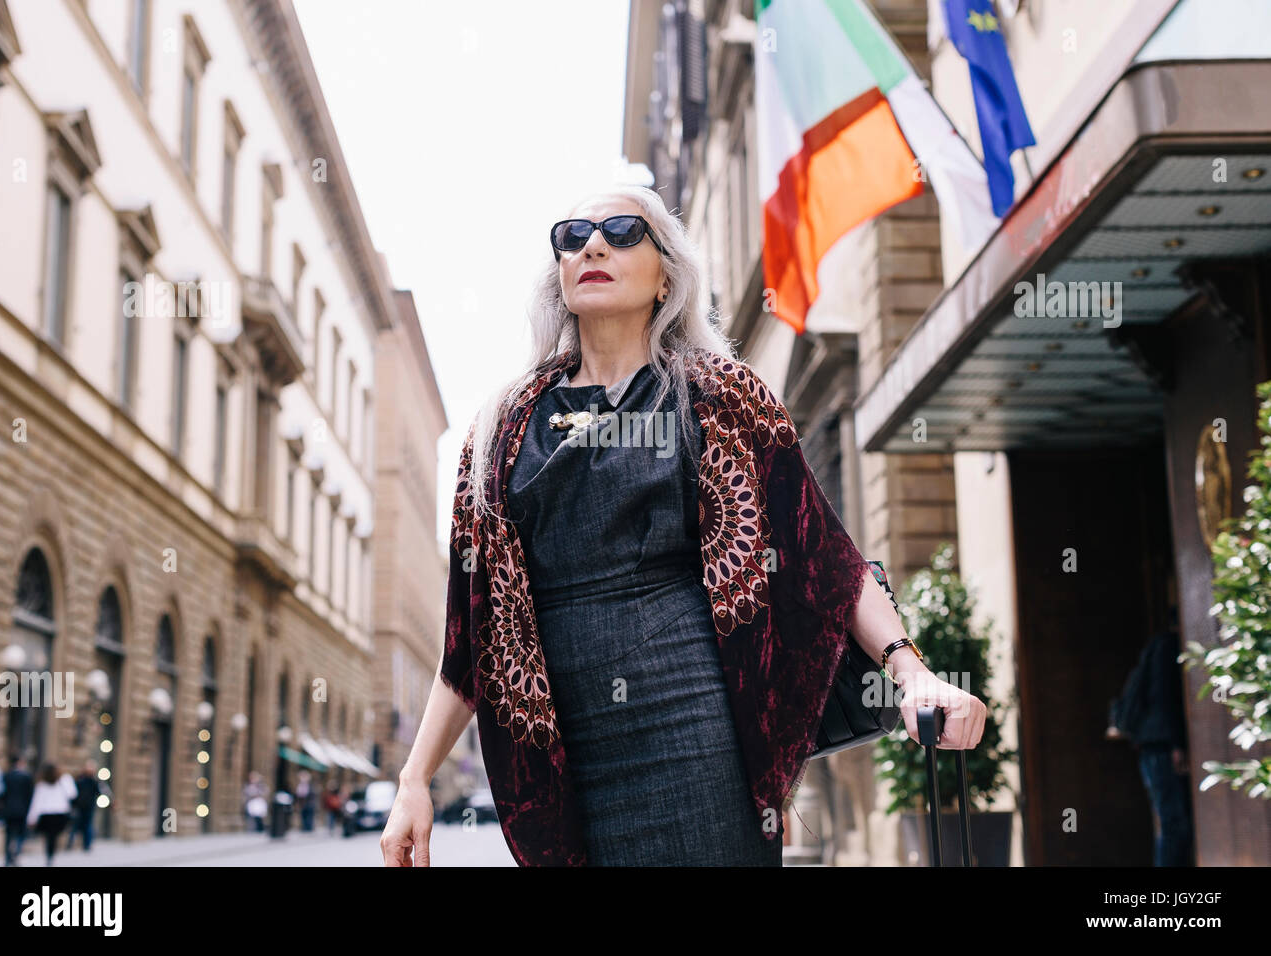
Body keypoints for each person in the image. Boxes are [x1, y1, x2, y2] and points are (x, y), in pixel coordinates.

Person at [380, 185, 987, 867]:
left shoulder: (723, 396)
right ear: (559, 272)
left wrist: (913, 673)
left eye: (620, 231)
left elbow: (826, 561)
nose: (593, 246)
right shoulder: (499, 429)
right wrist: (413, 780)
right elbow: (470, 639)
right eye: (573, 235)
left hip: (696, 732)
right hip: (555, 752)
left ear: (667, 273)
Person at [1109, 625, 1195, 866]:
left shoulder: (1157, 647)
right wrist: (1177, 744)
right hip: (1161, 748)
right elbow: (1164, 698)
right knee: (1174, 825)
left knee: (1172, 824)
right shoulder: (1167, 647)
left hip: (1154, 747)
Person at [26, 763, 77, 866]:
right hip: (59, 813)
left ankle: (49, 855)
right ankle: (51, 855)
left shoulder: (42, 785)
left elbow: (36, 803)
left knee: (49, 837)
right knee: (53, 836)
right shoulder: (63, 781)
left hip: (46, 815)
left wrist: (31, 818)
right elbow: (73, 794)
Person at [1, 754, 34, 866]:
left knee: (8, 834)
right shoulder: (26, 777)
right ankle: (16, 853)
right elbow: (30, 795)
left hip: (8, 809)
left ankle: (8, 856)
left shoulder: (6, 775)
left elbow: (2, 794)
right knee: (21, 833)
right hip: (22, 809)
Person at [65, 760, 104, 852]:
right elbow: (73, 792)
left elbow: (99, 792)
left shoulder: (93, 781)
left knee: (87, 826)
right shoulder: (80, 779)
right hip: (79, 806)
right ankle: (71, 844)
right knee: (75, 826)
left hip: (88, 807)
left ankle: (86, 845)